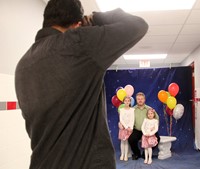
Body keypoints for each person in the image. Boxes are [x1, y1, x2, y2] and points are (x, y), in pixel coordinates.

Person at [15, 0, 148, 168]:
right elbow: (138, 25)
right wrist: (95, 18)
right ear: (78, 24)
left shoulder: (23, 64)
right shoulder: (78, 44)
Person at [127, 92, 160, 160]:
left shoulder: (149, 109)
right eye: (138, 99)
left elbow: (157, 118)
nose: (140, 100)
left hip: (148, 130)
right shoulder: (133, 109)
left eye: (141, 99)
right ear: (136, 100)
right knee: (131, 139)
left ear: (144, 99)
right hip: (138, 130)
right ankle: (137, 153)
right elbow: (128, 118)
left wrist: (154, 127)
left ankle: (145, 154)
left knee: (157, 138)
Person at [118, 97, 135, 161]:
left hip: (129, 128)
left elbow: (132, 119)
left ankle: (126, 155)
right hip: (123, 128)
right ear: (123, 102)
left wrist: (130, 127)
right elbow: (121, 119)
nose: (127, 102)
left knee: (127, 142)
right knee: (122, 141)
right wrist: (125, 126)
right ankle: (122, 154)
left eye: (128, 101)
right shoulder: (122, 110)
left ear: (130, 102)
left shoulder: (132, 110)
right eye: (126, 101)